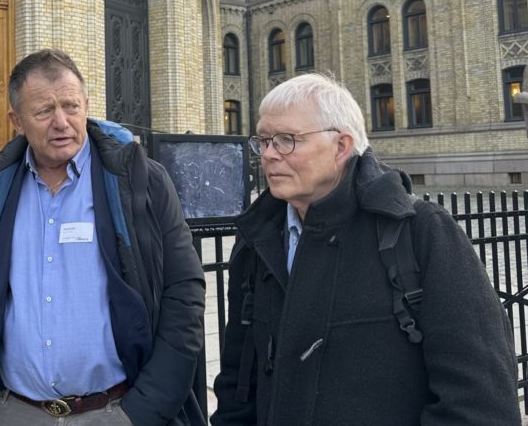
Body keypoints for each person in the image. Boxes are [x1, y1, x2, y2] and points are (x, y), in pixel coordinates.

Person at [211, 73, 520, 426]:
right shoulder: (258, 238)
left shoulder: (419, 232)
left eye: (286, 140)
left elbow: (479, 403)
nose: (267, 155)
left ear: (341, 146)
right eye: (263, 141)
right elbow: (238, 383)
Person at [0, 49, 206, 425]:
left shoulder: (139, 180)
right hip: (15, 412)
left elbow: (184, 293)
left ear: (87, 105)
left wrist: (142, 412)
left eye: (71, 106)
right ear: (16, 121)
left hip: (115, 412)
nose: (62, 122)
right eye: (44, 111)